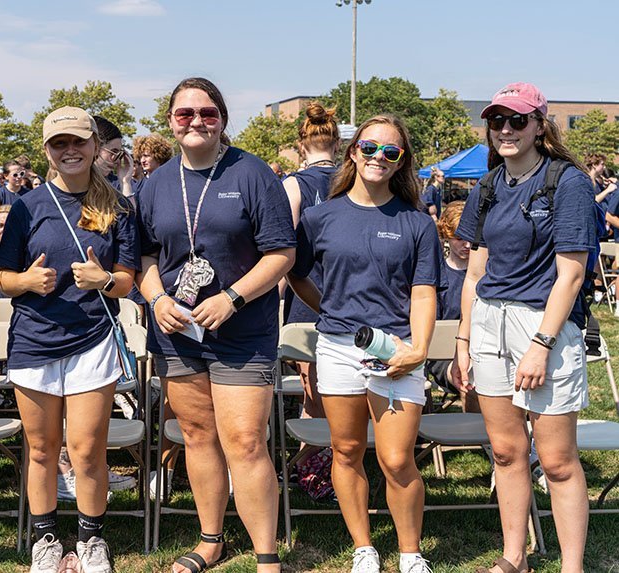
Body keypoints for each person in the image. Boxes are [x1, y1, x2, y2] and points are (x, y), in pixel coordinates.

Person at [136, 77, 295, 573]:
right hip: (177, 332)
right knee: (197, 434)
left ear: (222, 118)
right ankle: (211, 541)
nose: (196, 122)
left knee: (246, 441)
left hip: (243, 333)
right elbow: (143, 258)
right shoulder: (155, 183)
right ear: (170, 121)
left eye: (207, 113)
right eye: (185, 114)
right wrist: (157, 297)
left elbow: (282, 254)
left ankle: (266, 555)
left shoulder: (252, 174)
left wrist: (232, 297)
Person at [288, 114, 443, 573]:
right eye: (370, 147)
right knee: (347, 450)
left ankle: (411, 553)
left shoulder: (417, 222)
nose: (379, 157)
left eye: (390, 152)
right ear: (353, 152)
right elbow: (296, 275)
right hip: (337, 348)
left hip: (397, 349)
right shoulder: (319, 217)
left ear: (401, 163)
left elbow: (424, 292)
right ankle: (364, 548)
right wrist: (331, 311)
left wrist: (417, 350)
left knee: (397, 460)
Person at [453, 82, 595, 573]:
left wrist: (541, 344)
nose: (506, 130)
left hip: (543, 324)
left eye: (517, 120)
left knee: (556, 460)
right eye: (497, 121)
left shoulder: (567, 181)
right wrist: (464, 340)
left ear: (540, 125)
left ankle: (571, 566)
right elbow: (474, 272)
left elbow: (572, 274)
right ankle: (515, 557)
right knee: (507, 452)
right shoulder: (488, 186)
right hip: (489, 321)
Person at [0, 106, 139, 573]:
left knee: (86, 449)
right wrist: (26, 283)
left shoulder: (117, 206)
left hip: (92, 340)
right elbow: (2, 279)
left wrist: (103, 280)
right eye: (60, 144)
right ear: (47, 152)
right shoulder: (26, 206)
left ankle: (92, 540)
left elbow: (128, 281)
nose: (70, 150)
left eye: (79, 141)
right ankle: (46, 539)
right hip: (34, 342)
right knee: (40, 449)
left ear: (96, 146)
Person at [281, 101, 340, 425]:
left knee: (313, 393)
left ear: (301, 145)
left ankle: (311, 466)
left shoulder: (293, 184)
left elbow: (284, 249)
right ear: (338, 144)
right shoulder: (353, 182)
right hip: (346, 290)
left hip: (306, 294)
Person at [422, 201, 480, 412]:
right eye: (459, 238)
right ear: (446, 235)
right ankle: (475, 434)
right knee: (469, 378)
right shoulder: (436, 277)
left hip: (482, 350)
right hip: (444, 357)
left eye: (471, 239)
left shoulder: (488, 275)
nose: (466, 245)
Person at [94, 116, 137, 199]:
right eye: (113, 151)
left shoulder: (115, 185)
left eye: (119, 154)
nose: (117, 160)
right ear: (95, 147)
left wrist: (125, 183)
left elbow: (130, 211)